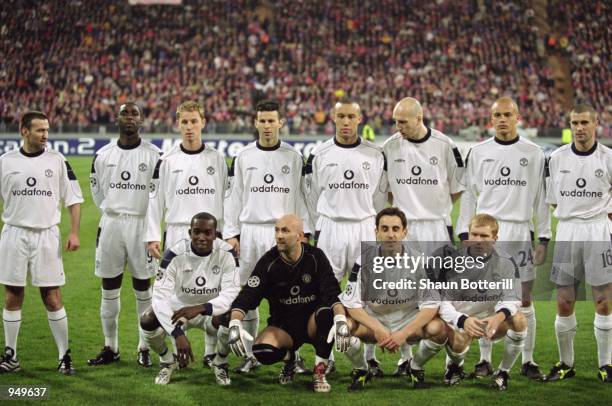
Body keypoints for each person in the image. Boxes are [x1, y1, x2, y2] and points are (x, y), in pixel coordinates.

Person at [457, 96, 551, 380]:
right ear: (491, 118)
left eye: (507, 114)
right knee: (486, 295)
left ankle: (528, 359)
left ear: (517, 116)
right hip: (485, 234)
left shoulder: (534, 153)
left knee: (524, 299)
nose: (502, 119)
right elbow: (469, 195)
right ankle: (484, 360)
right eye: (497, 114)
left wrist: (543, 238)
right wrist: (464, 233)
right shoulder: (478, 151)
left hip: (519, 232)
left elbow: (541, 199)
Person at [223, 99, 311, 374]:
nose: (267, 125)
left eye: (272, 120)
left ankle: (291, 357)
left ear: (281, 123)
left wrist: (303, 232)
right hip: (251, 232)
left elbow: (301, 197)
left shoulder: (294, 157)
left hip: (283, 234)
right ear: (256, 122)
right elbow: (233, 197)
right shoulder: (243, 157)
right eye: (263, 120)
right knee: (249, 293)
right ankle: (249, 355)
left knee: (290, 296)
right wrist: (231, 233)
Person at [303, 98, 387, 376]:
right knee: (325, 293)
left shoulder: (375, 153)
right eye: (342, 117)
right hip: (331, 227)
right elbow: (312, 195)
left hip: (364, 226)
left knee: (369, 294)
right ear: (333, 118)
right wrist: (320, 226)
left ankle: (370, 356)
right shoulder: (320, 153)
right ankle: (325, 357)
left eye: (352, 116)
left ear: (360, 118)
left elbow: (379, 194)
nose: (347, 122)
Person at [382, 97, 464, 375]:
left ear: (419, 118)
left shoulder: (444, 145)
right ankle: (405, 359)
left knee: (443, 298)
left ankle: (453, 363)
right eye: (395, 121)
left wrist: (434, 209)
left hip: (436, 229)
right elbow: (388, 191)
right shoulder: (390, 147)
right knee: (403, 297)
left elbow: (456, 188)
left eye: (402, 121)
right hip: (405, 231)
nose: (397, 126)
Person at [144, 100, 228, 366]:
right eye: (185, 122)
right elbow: (154, 200)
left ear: (203, 122)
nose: (189, 127)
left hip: (211, 234)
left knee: (212, 289)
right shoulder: (166, 160)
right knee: (173, 293)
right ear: (177, 124)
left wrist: (226, 234)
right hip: (178, 231)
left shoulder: (217, 158)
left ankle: (210, 351)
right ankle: (176, 344)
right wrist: (152, 235)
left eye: (194, 121)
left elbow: (226, 199)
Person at [0, 111, 83, 374]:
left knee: (52, 296)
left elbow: (74, 198)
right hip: (14, 233)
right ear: (24, 131)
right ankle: (11, 356)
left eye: (47, 130)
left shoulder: (57, 160)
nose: (45, 135)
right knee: (13, 295)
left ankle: (64, 356)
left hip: (46, 235)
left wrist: (74, 233)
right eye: (39, 130)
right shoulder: (5, 161)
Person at [228, 214, 349, 393]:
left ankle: (319, 372)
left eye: (285, 230)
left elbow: (331, 289)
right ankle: (289, 358)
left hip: (312, 321)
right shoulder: (269, 262)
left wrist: (340, 318)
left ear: (300, 236)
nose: (279, 235)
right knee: (262, 352)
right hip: (284, 325)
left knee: (327, 314)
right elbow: (248, 294)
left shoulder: (315, 256)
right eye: (277, 230)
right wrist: (234, 321)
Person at [87, 102, 161, 367]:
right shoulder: (103, 155)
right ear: (116, 119)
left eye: (135, 113)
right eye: (125, 113)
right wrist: (113, 211)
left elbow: (158, 195)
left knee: (143, 288)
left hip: (142, 227)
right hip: (112, 225)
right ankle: (111, 347)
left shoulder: (154, 155)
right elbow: (97, 192)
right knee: (109, 288)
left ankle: (144, 346)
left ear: (142, 121)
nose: (129, 117)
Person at [340, 207, 447, 390]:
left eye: (395, 229)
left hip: (407, 320)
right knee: (341, 330)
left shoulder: (420, 260)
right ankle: (361, 369)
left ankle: (415, 367)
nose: (390, 234)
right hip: (373, 321)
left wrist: (403, 333)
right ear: (376, 232)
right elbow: (352, 305)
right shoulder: (363, 260)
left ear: (404, 232)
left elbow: (431, 306)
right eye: (385, 229)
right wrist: (379, 329)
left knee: (439, 329)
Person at [544, 103, 612, 383]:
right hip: (568, 231)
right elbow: (550, 201)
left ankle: (606, 364)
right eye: (575, 123)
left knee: (604, 301)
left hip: (599, 230)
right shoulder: (557, 158)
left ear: (596, 124)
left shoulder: (608, 158)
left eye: (584, 122)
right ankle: (565, 363)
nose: (579, 128)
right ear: (570, 125)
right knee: (564, 301)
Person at [139, 212, 240, 385]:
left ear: (215, 234)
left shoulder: (227, 253)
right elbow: (160, 298)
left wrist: (202, 307)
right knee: (147, 320)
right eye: (196, 232)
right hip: (179, 312)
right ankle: (168, 360)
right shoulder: (173, 255)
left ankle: (220, 363)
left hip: (210, 311)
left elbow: (232, 293)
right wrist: (177, 333)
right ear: (189, 233)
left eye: (207, 233)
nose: (201, 237)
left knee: (231, 316)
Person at [440, 213, 526, 391]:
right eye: (474, 235)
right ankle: (454, 366)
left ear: (495, 238)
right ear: (468, 235)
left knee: (519, 320)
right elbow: (442, 303)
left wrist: (498, 317)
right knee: (457, 343)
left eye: (484, 236)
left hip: (490, 323)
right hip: (461, 321)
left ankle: (503, 372)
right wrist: (463, 320)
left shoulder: (506, 262)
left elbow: (513, 297)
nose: (478, 240)